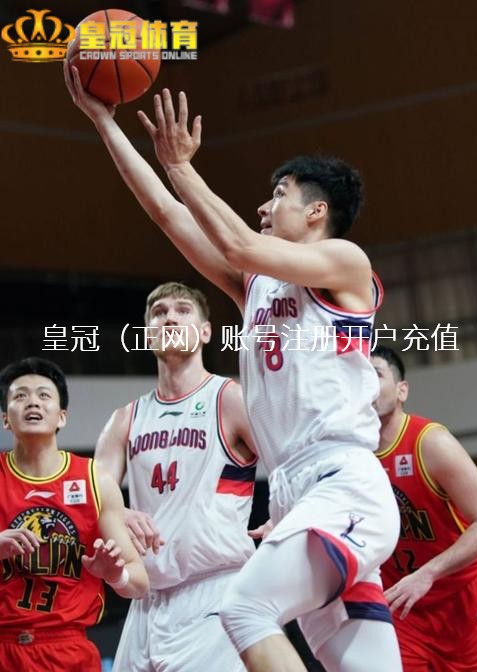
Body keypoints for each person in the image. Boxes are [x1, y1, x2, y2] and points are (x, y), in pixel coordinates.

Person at [65, 64, 402, 672]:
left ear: (317, 211)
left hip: (341, 481)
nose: (264, 205)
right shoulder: (257, 289)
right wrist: (103, 121)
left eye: (279, 194)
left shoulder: (346, 262)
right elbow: (169, 216)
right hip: (295, 494)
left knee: (244, 610)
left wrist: (182, 166)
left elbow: (240, 243)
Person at [94, 281, 257, 672]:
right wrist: (119, 512)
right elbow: (93, 494)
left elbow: (290, 461)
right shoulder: (125, 418)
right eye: (159, 312)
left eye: (183, 310)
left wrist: (286, 513)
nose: (169, 318)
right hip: (146, 599)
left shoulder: (229, 398)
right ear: (147, 334)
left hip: (216, 588)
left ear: (206, 331)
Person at [0, 357, 149, 672]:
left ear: (62, 416)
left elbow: (139, 582)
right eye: (20, 396)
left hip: (68, 650)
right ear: (5, 419)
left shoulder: (95, 480)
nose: (32, 402)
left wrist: (115, 575)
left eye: (43, 395)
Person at [372, 345, 477, 671]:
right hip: (404, 607)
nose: (366, 384)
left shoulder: (430, 442)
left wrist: (428, 573)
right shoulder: (350, 453)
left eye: (376, 374)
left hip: (462, 602)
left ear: (402, 390)